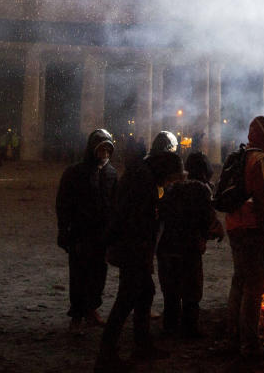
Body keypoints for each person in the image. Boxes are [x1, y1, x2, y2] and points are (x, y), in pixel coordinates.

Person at [96, 131, 183, 371]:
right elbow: (137, 220)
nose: (168, 183)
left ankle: (142, 344)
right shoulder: (143, 179)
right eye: (169, 179)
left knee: (145, 292)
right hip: (132, 248)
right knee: (127, 298)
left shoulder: (144, 172)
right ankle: (107, 354)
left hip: (136, 247)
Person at [224, 115, 264, 359]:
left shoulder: (241, 157)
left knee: (239, 281)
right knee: (255, 287)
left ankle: (233, 337)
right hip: (254, 230)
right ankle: (250, 344)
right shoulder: (261, 161)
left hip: (235, 226)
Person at [56, 129, 119, 334]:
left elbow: (115, 203)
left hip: (102, 233)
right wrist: (64, 229)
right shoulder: (75, 172)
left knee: (99, 273)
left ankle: (92, 309)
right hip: (81, 232)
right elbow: (63, 203)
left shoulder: (111, 173)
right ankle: (76, 315)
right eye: (101, 148)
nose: (105, 153)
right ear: (92, 149)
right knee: (79, 274)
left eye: (108, 149)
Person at [156, 151, 224, 338]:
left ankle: (169, 327)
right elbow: (208, 222)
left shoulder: (170, 189)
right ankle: (189, 328)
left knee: (171, 292)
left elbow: (161, 214)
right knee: (191, 292)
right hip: (189, 249)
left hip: (167, 248)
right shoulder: (202, 190)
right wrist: (214, 233)